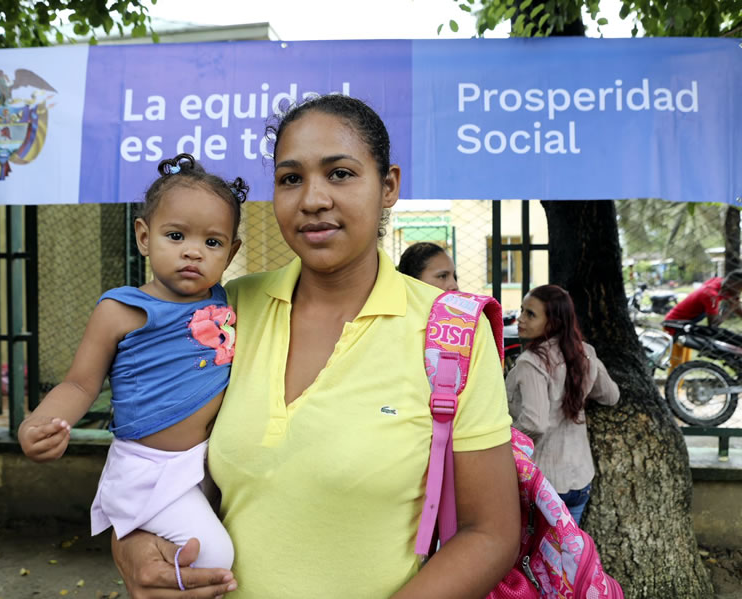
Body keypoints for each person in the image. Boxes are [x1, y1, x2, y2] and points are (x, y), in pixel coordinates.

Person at [111, 95, 520, 598]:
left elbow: (492, 532)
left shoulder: (449, 333)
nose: (312, 199)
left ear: (388, 185)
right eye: (290, 179)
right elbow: (150, 460)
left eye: (340, 174)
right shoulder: (221, 314)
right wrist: (130, 544)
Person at [18, 153, 247, 571]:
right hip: (149, 472)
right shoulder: (121, 309)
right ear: (144, 236)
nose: (193, 252)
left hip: (206, 467)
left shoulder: (228, 301)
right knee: (214, 556)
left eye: (212, 243)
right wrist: (38, 423)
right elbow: (79, 385)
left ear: (230, 254)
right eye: (176, 236)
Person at [505, 284, 619, 526]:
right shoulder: (585, 353)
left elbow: (535, 422)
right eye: (522, 310)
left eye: (530, 314)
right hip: (579, 479)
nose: (520, 319)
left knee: (534, 559)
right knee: (565, 556)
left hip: (542, 483)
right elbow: (610, 396)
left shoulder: (532, 363)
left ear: (553, 321)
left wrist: (503, 442)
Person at [663, 270, 742, 369]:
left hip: (689, 323)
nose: (739, 293)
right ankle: (674, 385)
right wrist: (729, 310)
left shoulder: (723, 285)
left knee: (684, 358)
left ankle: (678, 385)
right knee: (677, 361)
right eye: (739, 289)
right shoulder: (711, 294)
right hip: (675, 325)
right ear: (731, 283)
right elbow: (713, 325)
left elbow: (737, 307)